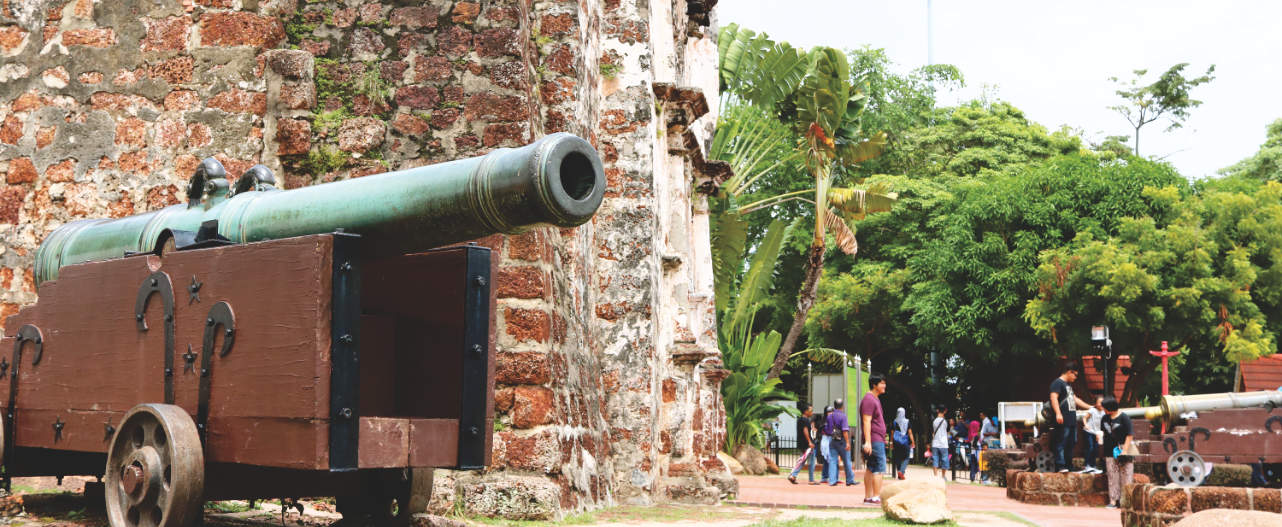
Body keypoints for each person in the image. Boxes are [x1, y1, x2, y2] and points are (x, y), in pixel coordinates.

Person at [1049, 361, 1091, 473]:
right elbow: (1053, 398)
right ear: (1069, 372)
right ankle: (1061, 465)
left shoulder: (1068, 385)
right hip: (1063, 419)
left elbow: (1075, 399)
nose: (1075, 378)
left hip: (1071, 419)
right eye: (1075, 375)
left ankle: (1068, 465)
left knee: (1071, 442)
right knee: (1061, 441)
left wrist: (1090, 408)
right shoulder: (1057, 383)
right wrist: (1058, 413)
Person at [1100, 396, 1134, 509]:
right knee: (1112, 476)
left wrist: (1124, 451)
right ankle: (1113, 500)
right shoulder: (1104, 418)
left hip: (1123, 449)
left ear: (1111, 407)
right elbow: (1103, 432)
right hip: (1109, 451)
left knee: (1126, 476)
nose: (1103, 410)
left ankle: (1126, 501)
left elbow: (1130, 435)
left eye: (1105, 408)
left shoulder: (1124, 418)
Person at [860, 374, 888, 504]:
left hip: (878, 438)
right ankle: (876, 496)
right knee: (878, 468)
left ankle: (869, 497)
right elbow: (867, 421)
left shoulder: (875, 399)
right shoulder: (869, 400)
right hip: (874, 439)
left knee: (871, 467)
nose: (884, 386)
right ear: (874, 385)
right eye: (881, 383)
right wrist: (868, 442)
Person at [825, 399, 857, 486]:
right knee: (847, 461)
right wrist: (847, 442)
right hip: (842, 441)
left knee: (832, 460)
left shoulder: (829, 416)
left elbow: (827, 430)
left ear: (834, 406)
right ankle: (849, 480)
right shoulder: (843, 416)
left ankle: (832, 481)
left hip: (833, 440)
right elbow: (845, 431)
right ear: (842, 406)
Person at [788, 403, 817, 484]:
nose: (812, 412)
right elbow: (805, 431)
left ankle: (793, 475)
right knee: (811, 462)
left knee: (802, 460)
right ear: (805, 411)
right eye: (810, 410)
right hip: (807, 444)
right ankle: (811, 480)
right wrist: (809, 442)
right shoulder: (805, 420)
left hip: (802, 443)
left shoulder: (800, 419)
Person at [1080, 395, 1105, 475]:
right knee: (1089, 447)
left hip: (1097, 433)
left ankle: (1093, 465)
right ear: (1096, 404)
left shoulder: (1104, 411)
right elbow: (1084, 418)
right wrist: (1086, 425)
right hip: (1089, 431)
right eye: (1099, 403)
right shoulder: (1092, 410)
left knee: (1095, 449)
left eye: (1102, 403)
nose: (1101, 404)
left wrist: (1101, 433)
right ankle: (1087, 465)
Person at [891, 407, 915, 480]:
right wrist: (913, 442)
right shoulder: (907, 421)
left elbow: (892, 433)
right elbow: (910, 433)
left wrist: (892, 442)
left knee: (898, 457)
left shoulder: (894, 421)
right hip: (905, 442)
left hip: (896, 442)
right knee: (906, 458)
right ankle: (901, 471)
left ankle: (899, 472)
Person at [930, 406, 949, 480]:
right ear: (945, 411)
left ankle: (935, 476)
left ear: (937, 411)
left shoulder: (934, 421)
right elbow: (945, 431)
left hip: (935, 443)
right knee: (944, 459)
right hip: (943, 443)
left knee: (935, 459)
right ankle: (943, 476)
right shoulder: (945, 421)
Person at [818, 405, 834, 479]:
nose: (831, 413)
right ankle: (824, 476)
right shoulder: (824, 421)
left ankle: (831, 476)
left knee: (831, 459)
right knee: (826, 458)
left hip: (832, 439)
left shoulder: (834, 420)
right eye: (829, 412)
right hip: (825, 440)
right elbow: (826, 431)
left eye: (832, 411)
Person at [967, 415, 981, 482]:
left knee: (972, 466)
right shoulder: (976, 435)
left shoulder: (970, 434)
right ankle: (977, 478)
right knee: (977, 466)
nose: (979, 428)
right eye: (978, 426)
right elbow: (976, 444)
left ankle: (972, 478)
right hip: (976, 453)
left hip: (972, 452)